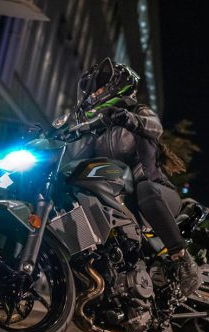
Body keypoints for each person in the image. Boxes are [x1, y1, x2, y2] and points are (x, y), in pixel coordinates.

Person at [71, 58, 200, 296]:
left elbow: (155, 127)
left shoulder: (137, 112)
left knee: (145, 188)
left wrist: (130, 119)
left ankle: (182, 258)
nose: (93, 94)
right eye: (92, 90)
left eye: (98, 87)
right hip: (125, 201)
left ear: (117, 85)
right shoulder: (98, 134)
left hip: (158, 193)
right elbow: (74, 163)